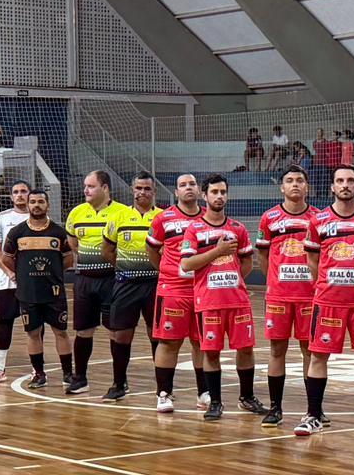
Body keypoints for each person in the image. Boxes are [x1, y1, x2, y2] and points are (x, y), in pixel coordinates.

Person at [295, 165, 354, 436]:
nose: (345, 185)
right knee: (318, 355)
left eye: (351, 180)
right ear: (332, 187)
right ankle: (314, 415)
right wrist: (328, 284)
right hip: (328, 301)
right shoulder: (318, 221)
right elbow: (312, 260)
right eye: (340, 180)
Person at [180, 174, 268, 420]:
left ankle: (247, 397)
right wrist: (216, 252)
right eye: (214, 192)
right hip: (208, 302)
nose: (219, 196)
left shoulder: (237, 228)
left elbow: (246, 262)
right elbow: (187, 264)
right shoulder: (194, 229)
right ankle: (215, 401)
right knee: (211, 352)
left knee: (246, 349)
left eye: (223, 192)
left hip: (237, 301)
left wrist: (231, 277)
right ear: (204, 195)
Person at [255, 165, 317, 428]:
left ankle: (314, 410)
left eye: (300, 180)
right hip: (280, 296)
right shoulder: (269, 218)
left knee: (310, 351)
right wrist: (274, 282)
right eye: (289, 181)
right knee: (277, 349)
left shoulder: (318, 217)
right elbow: (262, 255)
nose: (295, 184)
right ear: (282, 187)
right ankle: (275, 408)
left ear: (307, 187)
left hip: (309, 296)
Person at [149, 173, 209, 413]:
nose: (188, 188)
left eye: (192, 184)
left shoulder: (209, 217)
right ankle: (163, 393)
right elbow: (153, 251)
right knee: (168, 341)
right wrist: (167, 271)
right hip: (173, 289)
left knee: (202, 343)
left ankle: (203, 392)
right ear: (176, 192)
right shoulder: (164, 218)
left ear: (199, 190)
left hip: (202, 289)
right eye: (183, 185)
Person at [100, 171, 163, 402]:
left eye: (147, 189)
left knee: (156, 335)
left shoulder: (163, 217)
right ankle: (118, 383)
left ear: (153, 192)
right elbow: (106, 250)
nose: (142, 193)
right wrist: (124, 266)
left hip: (155, 285)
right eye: (138, 188)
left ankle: (163, 388)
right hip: (126, 284)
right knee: (121, 335)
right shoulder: (119, 216)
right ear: (132, 190)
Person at [2, 190, 74, 389]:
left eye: (40, 201)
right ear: (27, 204)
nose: (36, 205)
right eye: (32, 201)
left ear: (47, 205)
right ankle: (39, 374)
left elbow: (68, 259)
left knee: (61, 331)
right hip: (28, 292)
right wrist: (22, 274)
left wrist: (54, 272)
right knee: (33, 333)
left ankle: (68, 373)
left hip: (54, 292)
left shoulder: (58, 232)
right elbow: (7, 257)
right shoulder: (17, 232)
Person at [64, 170, 128, 395]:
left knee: (116, 332)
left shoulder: (122, 213)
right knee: (83, 331)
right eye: (85, 186)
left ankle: (119, 382)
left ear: (105, 188)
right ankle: (80, 378)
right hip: (84, 280)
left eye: (91, 186)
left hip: (113, 280)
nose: (85, 190)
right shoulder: (76, 213)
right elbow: (73, 243)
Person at [0, 180, 31, 384]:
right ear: (11, 197)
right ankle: (0, 368)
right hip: (7, 282)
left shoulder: (40, 218)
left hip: (33, 284)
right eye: (16, 192)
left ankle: (36, 369)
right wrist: (9, 272)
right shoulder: (1, 218)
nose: (20, 195)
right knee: (4, 322)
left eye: (24, 191)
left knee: (34, 324)